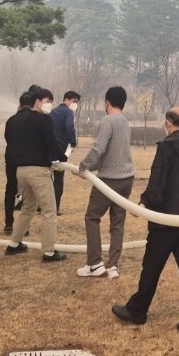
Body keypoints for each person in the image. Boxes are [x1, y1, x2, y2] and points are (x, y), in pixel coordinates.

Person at [111, 106, 179, 333]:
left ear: (168, 122)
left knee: (151, 267)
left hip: (164, 220)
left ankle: (137, 311)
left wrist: (144, 203)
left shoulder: (166, 148)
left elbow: (158, 181)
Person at [73, 85, 135, 279]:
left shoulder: (107, 120)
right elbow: (111, 153)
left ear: (107, 102)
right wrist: (90, 168)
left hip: (110, 180)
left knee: (92, 217)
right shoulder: (125, 122)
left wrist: (83, 166)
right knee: (118, 222)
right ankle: (113, 266)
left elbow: (99, 149)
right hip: (127, 179)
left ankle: (95, 264)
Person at [3, 89, 67, 263]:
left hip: (20, 171)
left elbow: (10, 141)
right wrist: (63, 157)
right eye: (46, 100)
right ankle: (49, 252)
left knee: (27, 208)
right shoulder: (43, 119)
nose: (48, 104)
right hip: (38, 172)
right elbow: (51, 142)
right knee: (49, 211)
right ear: (37, 101)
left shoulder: (14, 120)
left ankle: (14, 244)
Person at [2, 88, 37, 233]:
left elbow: (7, 138)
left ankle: (9, 222)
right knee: (27, 193)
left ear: (20, 103)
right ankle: (24, 227)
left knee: (10, 190)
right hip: (27, 160)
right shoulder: (35, 119)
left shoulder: (11, 120)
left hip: (11, 159)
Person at [51, 90, 80, 213]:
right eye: (74, 101)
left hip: (50, 150)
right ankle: (55, 208)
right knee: (58, 180)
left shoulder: (53, 112)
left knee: (47, 178)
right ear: (67, 100)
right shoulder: (68, 113)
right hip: (62, 151)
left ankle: (42, 205)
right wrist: (73, 142)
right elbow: (69, 127)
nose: (75, 104)